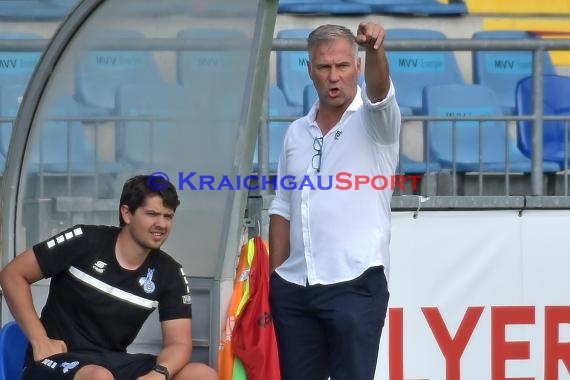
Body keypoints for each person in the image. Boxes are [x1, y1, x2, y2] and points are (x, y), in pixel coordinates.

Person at [268, 21, 401, 380]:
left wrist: (375, 50)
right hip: (295, 289)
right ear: (310, 69)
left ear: (357, 67)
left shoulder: (377, 121)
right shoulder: (296, 132)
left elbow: (380, 91)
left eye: (343, 65)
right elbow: (281, 207)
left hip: (357, 282)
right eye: (324, 67)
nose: (334, 76)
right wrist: (275, 281)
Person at [0, 175, 218, 380]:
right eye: (152, 214)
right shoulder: (85, 240)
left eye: (168, 216)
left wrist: (159, 374)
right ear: (127, 213)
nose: (162, 224)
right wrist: (40, 341)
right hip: (56, 360)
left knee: (201, 374)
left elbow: (179, 343)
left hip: (112, 362)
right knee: (99, 376)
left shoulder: (169, 272)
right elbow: (12, 274)